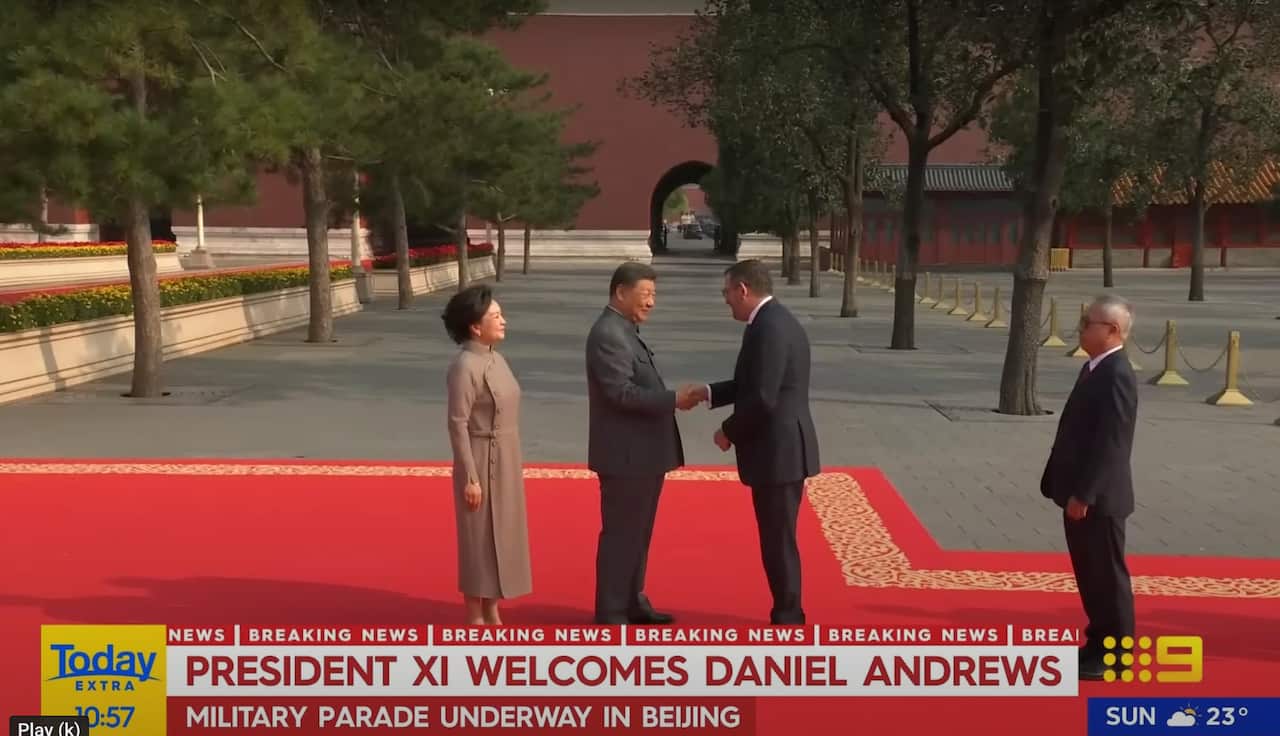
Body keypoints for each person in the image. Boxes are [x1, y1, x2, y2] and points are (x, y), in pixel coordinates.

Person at [696, 259, 819, 625]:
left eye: (727, 293)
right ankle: (786, 609)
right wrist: (705, 393)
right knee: (777, 536)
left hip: (778, 450)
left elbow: (763, 397)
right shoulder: (769, 321)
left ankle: (789, 615)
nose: (726, 301)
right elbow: (748, 384)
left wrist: (728, 432)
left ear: (743, 290)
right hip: (779, 448)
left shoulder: (770, 328)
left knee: (778, 539)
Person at [585, 261, 703, 625]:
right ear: (621, 292)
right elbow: (620, 393)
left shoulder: (625, 329)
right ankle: (611, 609)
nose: (652, 302)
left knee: (639, 532)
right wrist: (673, 400)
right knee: (622, 533)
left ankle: (632, 598)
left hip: (642, 454)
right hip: (625, 455)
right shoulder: (609, 333)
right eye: (646, 294)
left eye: (654, 295)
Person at [1040, 294, 1138, 680]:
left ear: (1112, 331)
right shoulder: (1095, 368)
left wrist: (1086, 494)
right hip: (1079, 493)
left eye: (1088, 322)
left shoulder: (1117, 374)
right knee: (1090, 575)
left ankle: (1116, 655)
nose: (1081, 328)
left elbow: (1113, 444)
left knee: (1108, 578)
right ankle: (1097, 643)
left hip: (1099, 499)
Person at [443, 284, 532, 624]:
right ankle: (473, 611)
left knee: (503, 532)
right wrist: (471, 477)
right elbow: (457, 423)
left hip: (506, 454)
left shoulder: (496, 358)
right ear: (475, 326)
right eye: (496, 316)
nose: (503, 321)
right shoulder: (465, 366)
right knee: (477, 536)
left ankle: (493, 604)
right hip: (479, 456)